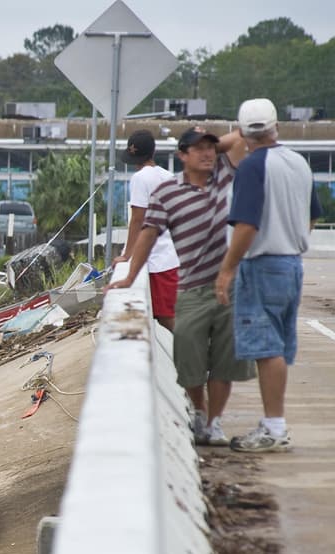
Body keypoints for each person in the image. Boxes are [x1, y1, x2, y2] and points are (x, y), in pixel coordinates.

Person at [123, 126, 250, 446]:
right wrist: (128, 274)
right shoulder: (169, 191)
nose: (208, 153)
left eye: (211, 148)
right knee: (189, 356)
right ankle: (198, 409)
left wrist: (210, 144)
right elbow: (148, 234)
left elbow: (243, 135)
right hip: (189, 283)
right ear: (182, 155)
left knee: (223, 361)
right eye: (198, 149)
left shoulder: (222, 176)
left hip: (227, 284)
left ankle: (214, 422)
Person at [216, 98, 323, 453]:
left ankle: (275, 427)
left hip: (262, 264)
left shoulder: (251, 166)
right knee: (276, 344)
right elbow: (311, 216)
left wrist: (228, 268)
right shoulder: (298, 163)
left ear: (243, 132)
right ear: (276, 126)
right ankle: (273, 421)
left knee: (267, 348)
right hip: (292, 263)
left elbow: (247, 224)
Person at [106, 129, 179, 331]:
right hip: (173, 254)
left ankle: (202, 355)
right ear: (153, 153)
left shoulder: (140, 178)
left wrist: (127, 254)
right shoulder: (168, 176)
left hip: (157, 259)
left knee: (167, 317)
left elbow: (137, 219)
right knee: (169, 315)